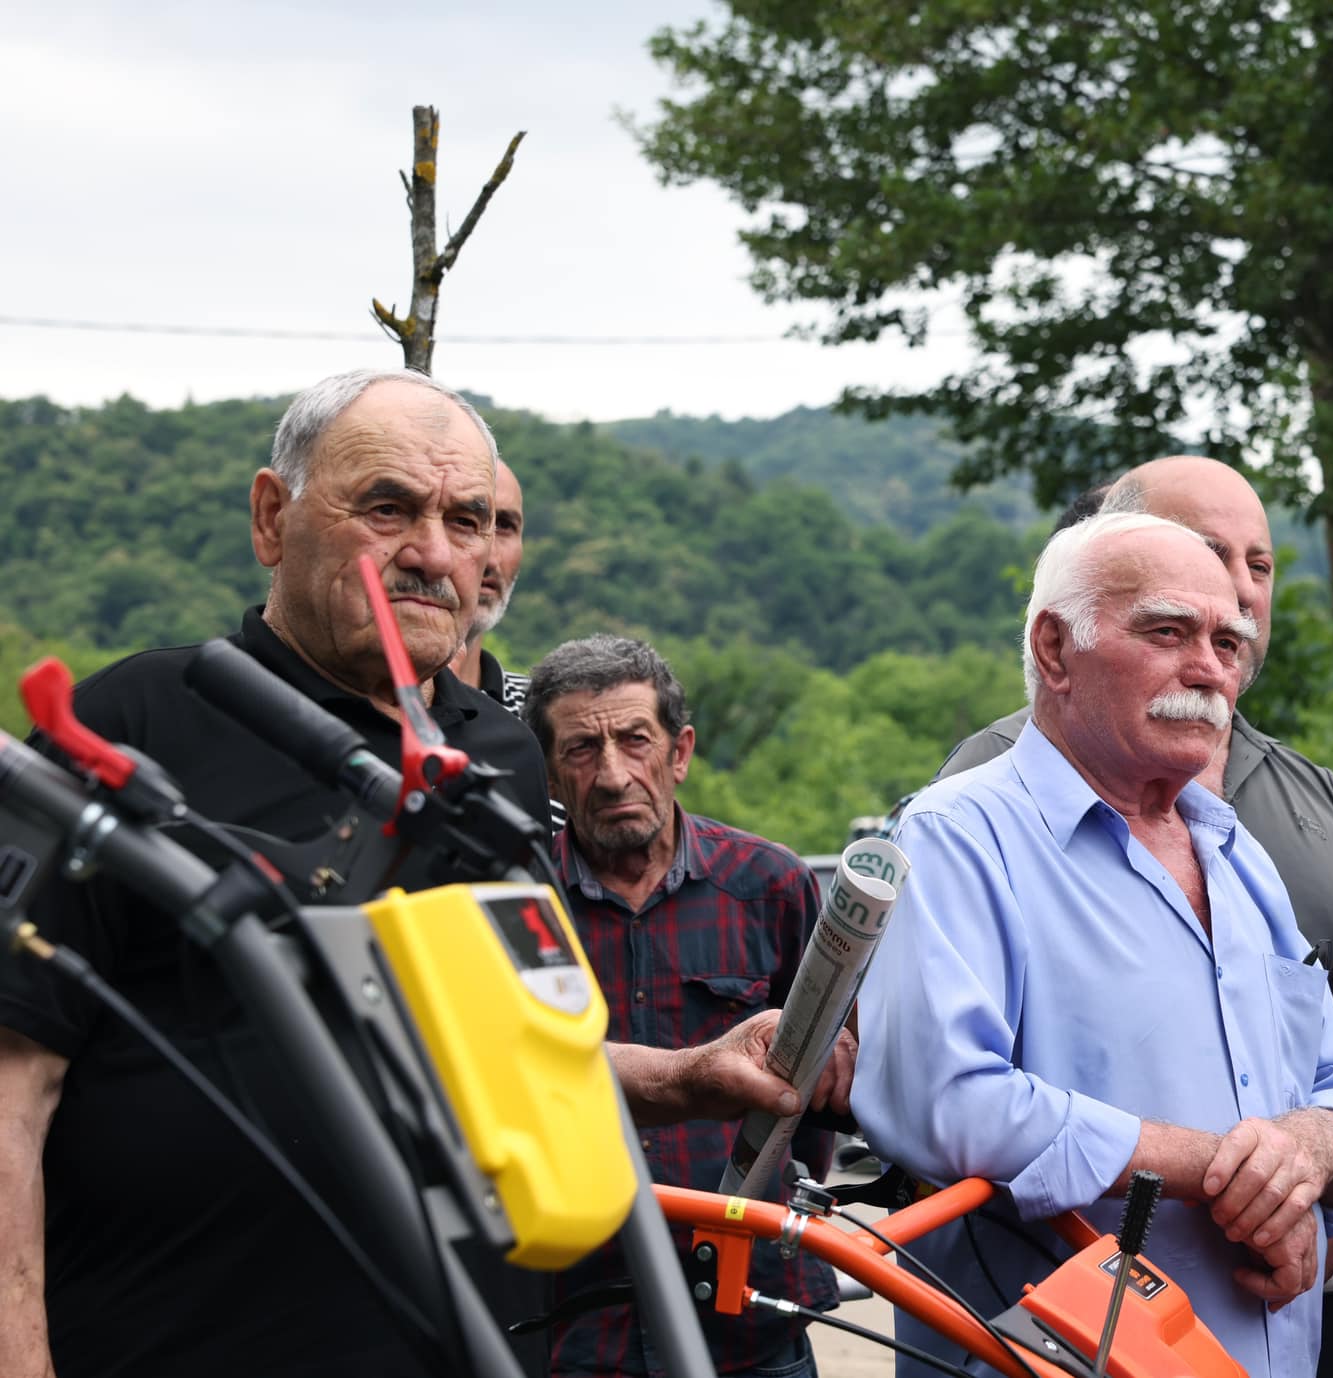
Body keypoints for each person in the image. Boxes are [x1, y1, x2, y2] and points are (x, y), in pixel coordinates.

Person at [0, 367, 557, 1378]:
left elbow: (505, 1048)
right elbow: (12, 1081)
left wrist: (683, 1077)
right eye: (386, 508)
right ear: (272, 519)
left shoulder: (501, 755)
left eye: (467, 521)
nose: (433, 554)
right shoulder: (132, 721)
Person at [857, 510, 1333, 1378]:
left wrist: (1309, 1152)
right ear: (1054, 650)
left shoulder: (1238, 856)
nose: (1209, 670)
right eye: (1167, 632)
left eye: (1229, 643)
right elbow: (944, 1102)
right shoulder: (956, 835)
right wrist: (1222, 1169)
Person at [524, 634, 851, 1378]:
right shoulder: (518, 906)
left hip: (750, 1309)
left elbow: (815, 1096)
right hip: (580, 1319)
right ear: (549, 773)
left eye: (635, 740)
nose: (613, 775)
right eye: (581, 749)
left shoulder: (770, 885)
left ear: (680, 753)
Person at [456, 457, 531, 713]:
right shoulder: (346, 721)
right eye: (465, 522)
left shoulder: (543, 717)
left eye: (505, 526)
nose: (490, 559)